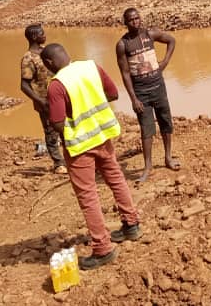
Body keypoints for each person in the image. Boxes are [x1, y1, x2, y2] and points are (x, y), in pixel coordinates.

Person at [41, 43, 141, 270]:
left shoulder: (56, 85)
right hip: (103, 135)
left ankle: (102, 248)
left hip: (80, 146)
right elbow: (113, 94)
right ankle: (131, 224)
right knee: (116, 179)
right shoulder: (91, 66)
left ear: (48, 64)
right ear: (67, 54)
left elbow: (57, 123)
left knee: (88, 197)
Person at [116, 8, 179, 183]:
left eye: (137, 18)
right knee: (146, 129)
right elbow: (125, 73)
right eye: (131, 20)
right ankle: (148, 167)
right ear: (126, 23)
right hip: (141, 92)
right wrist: (133, 99)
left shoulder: (150, 34)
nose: (135, 21)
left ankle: (168, 158)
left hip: (159, 87)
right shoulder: (123, 44)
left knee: (166, 122)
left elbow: (171, 40)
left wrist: (165, 61)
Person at [20, 24, 66, 174]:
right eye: (42, 33)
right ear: (34, 37)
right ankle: (59, 163)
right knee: (51, 132)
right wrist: (41, 101)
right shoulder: (28, 58)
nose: (44, 35)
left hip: (59, 96)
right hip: (45, 101)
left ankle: (72, 157)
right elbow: (24, 85)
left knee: (67, 127)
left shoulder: (47, 51)